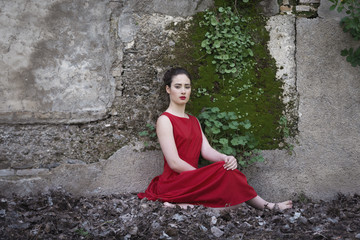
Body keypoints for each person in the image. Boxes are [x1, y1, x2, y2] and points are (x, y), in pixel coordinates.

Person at [138, 67, 292, 211]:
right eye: (178, 86)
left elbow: (206, 151)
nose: (183, 91)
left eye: (187, 86)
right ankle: (268, 206)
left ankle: (185, 205)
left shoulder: (194, 120)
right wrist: (204, 176)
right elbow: (174, 163)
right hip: (176, 182)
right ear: (168, 89)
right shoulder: (165, 120)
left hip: (193, 179)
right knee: (223, 177)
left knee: (227, 168)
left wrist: (225, 157)